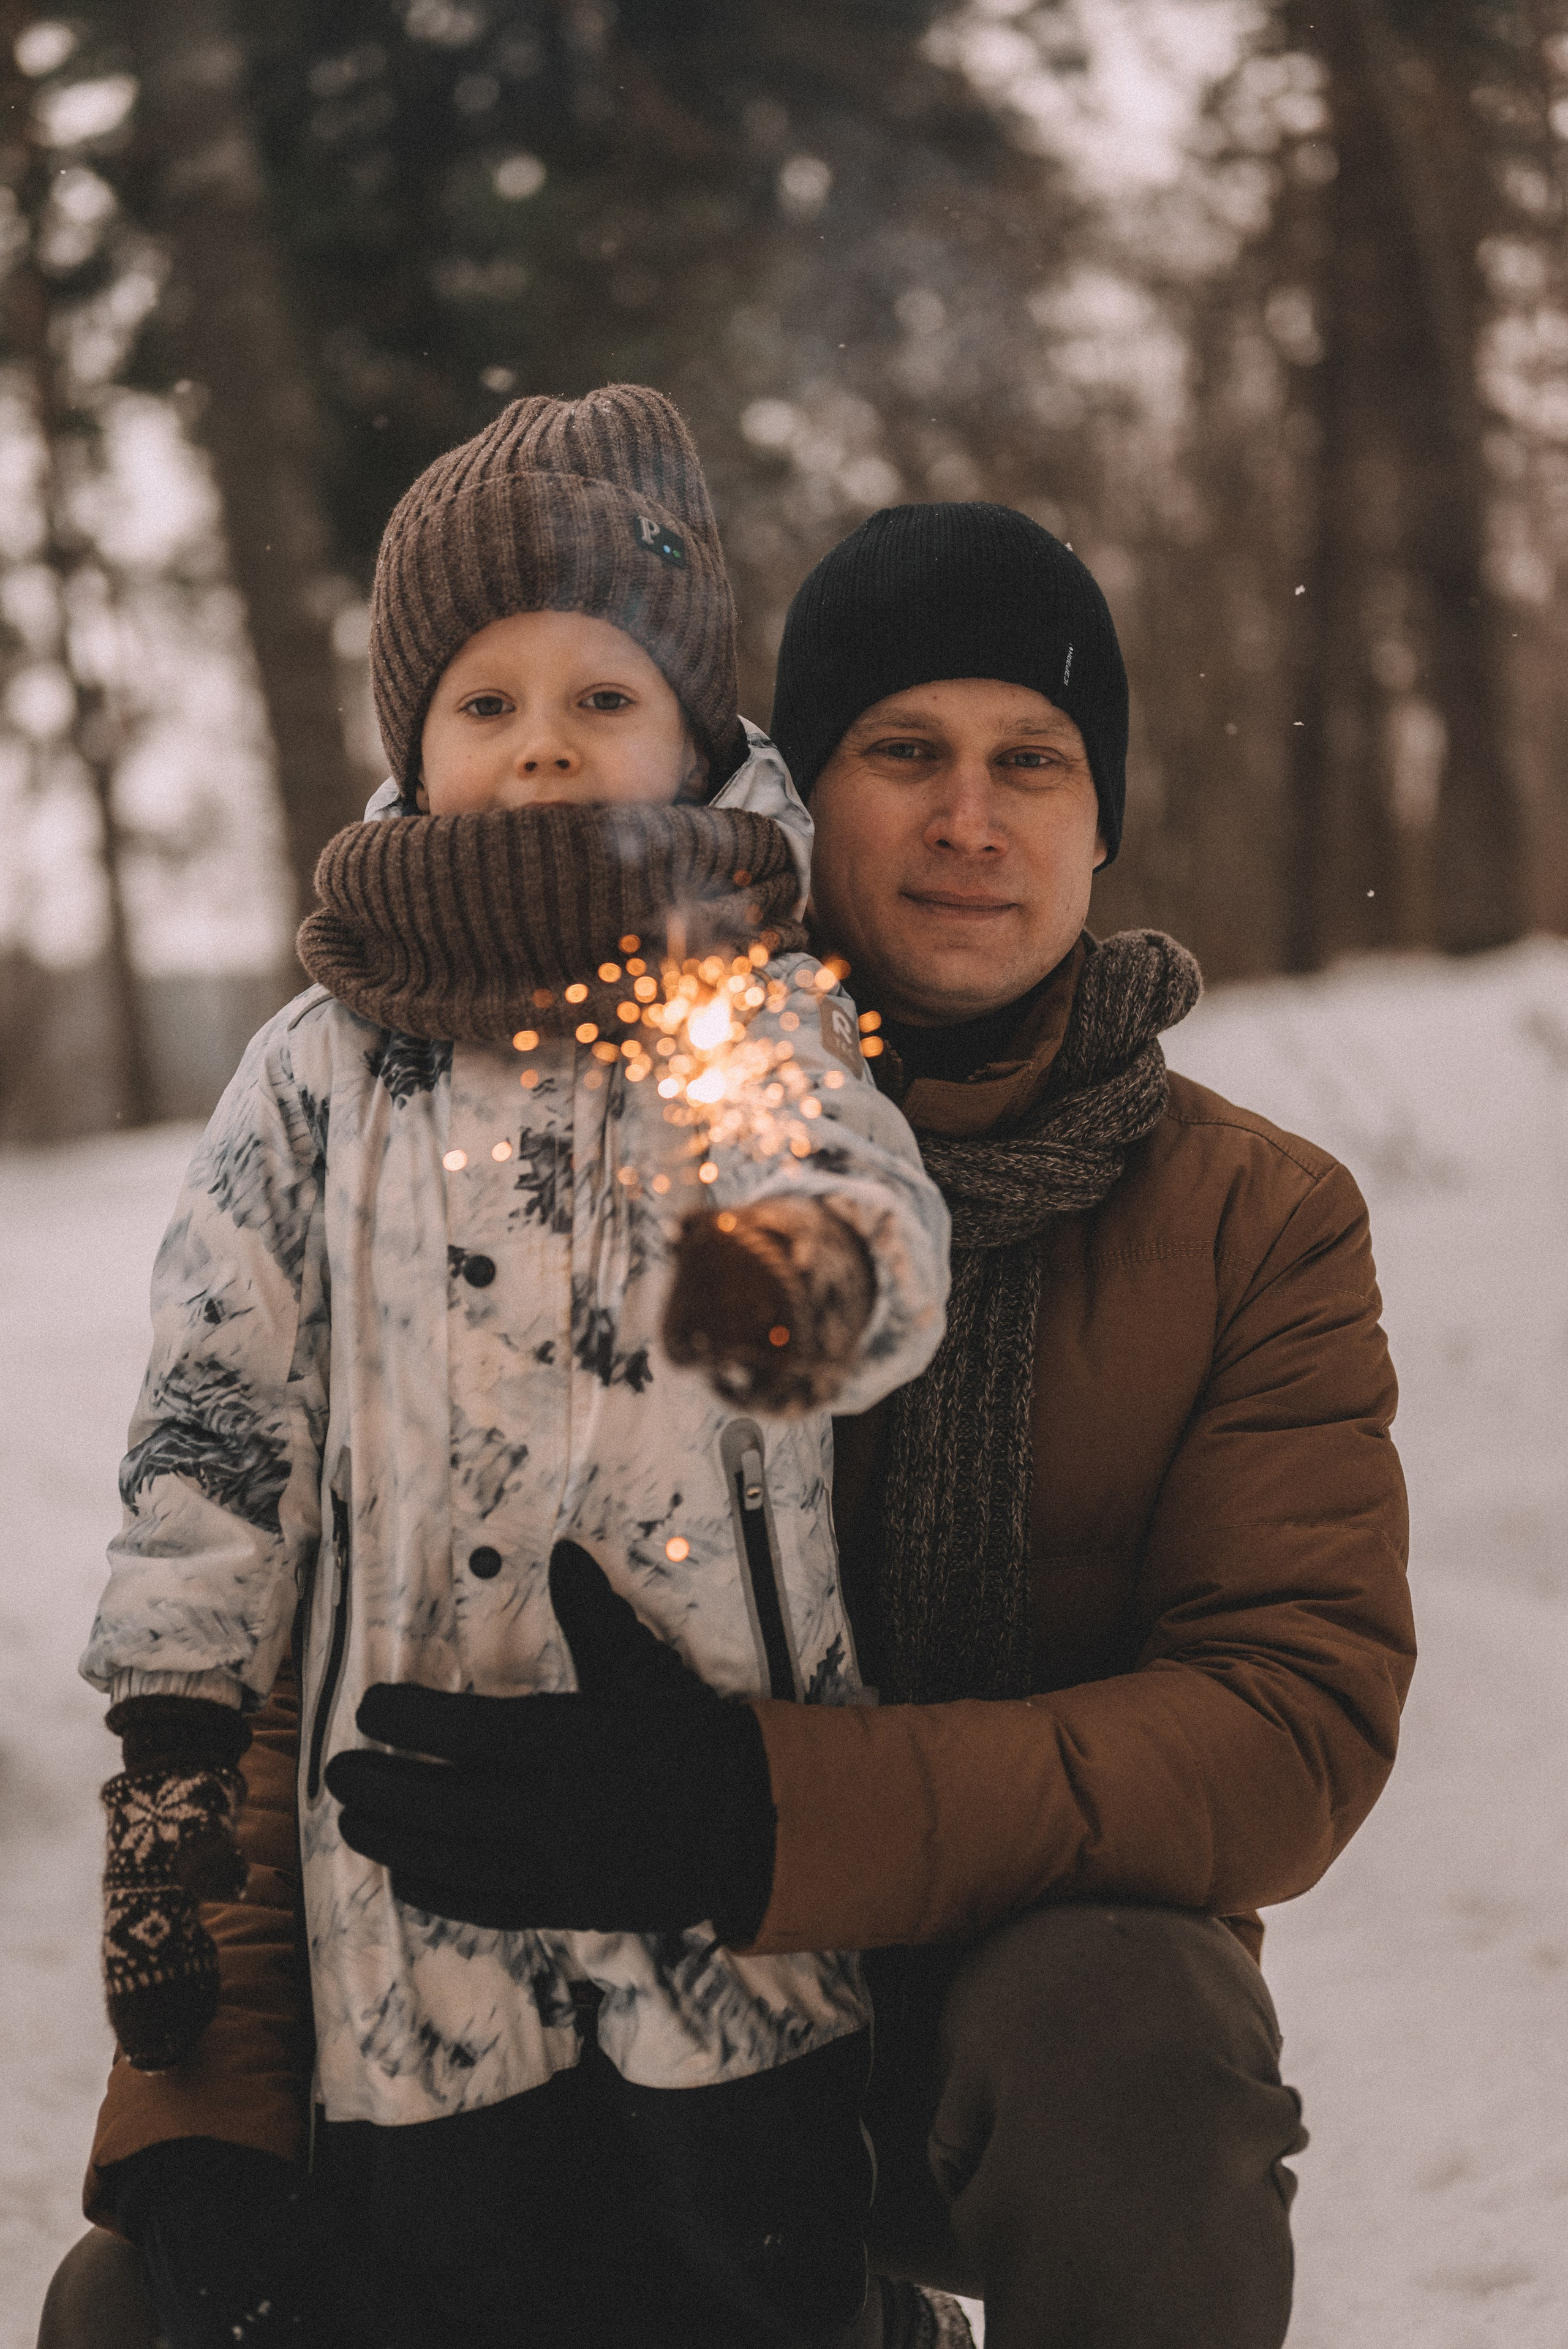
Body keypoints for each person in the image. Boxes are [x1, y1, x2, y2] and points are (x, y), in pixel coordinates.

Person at [48, 499, 1414, 2349]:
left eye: (1036, 761)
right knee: (137, 2303)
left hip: (956, 2030)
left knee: (1138, 2029)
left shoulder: (1253, 1221)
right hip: (528, 1991)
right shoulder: (548, 1119)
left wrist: (758, 1813)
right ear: (782, 782)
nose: (970, 817)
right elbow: (308, 1616)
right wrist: (197, 2126)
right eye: (905, 751)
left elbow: (1285, 1724)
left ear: (1106, 822)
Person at [61, 390, 951, 2349]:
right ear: (415, 747)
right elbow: (216, 1418)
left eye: (601, 694)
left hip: (723, 1878)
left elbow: (859, 1202)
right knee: (467, 2285)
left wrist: (790, 1275)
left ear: (698, 735)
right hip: (409, 1903)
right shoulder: (321, 1065)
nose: (543, 737)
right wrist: (178, 1754)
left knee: (752, 2281)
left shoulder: (738, 999)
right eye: (485, 701)